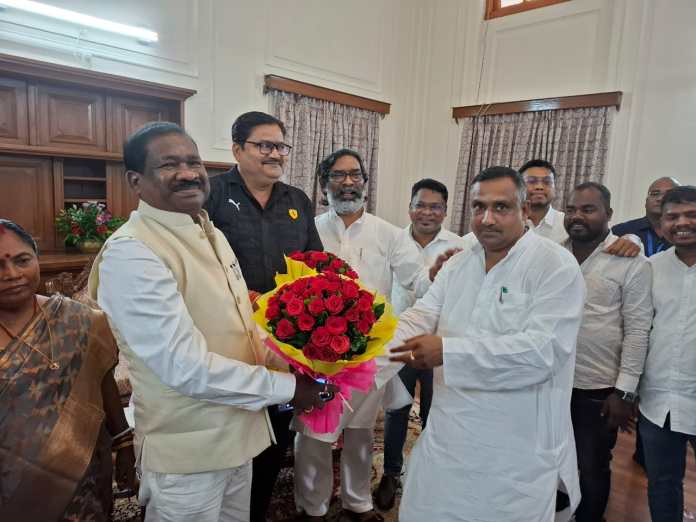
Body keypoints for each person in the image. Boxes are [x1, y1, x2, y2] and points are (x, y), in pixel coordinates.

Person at [88, 122, 334, 522]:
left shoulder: (210, 233)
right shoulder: (132, 253)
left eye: (194, 162)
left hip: (239, 437)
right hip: (189, 456)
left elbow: (242, 324)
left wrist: (300, 363)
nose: (187, 173)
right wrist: (290, 388)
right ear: (135, 181)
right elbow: (186, 368)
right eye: (169, 165)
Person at [387, 166, 585, 521]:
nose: (487, 218)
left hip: (515, 447)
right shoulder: (459, 263)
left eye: (501, 207)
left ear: (525, 210)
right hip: (449, 434)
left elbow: (544, 352)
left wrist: (448, 351)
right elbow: (422, 314)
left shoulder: (555, 265)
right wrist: (361, 358)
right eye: (479, 207)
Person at [293, 149, 439, 522]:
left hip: (367, 352)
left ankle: (357, 503)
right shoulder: (309, 228)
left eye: (355, 175)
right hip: (317, 354)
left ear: (364, 182)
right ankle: (313, 506)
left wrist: (438, 274)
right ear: (323, 184)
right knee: (313, 433)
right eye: (338, 175)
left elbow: (416, 280)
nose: (348, 182)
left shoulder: (388, 233)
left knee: (360, 432)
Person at [204, 111, 324, 521]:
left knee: (276, 427)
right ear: (237, 149)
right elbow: (201, 264)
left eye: (281, 146)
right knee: (233, 429)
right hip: (229, 336)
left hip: (285, 338)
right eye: (265, 145)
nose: (276, 154)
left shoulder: (297, 200)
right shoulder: (212, 194)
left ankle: (256, 510)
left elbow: (315, 263)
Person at [0, 219, 136, 521]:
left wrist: (124, 444)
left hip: (83, 482)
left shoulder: (81, 320)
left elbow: (103, 383)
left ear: (36, 259)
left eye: (22, 260)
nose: (11, 274)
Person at [563, 183, 653, 522]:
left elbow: (638, 331)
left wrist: (624, 392)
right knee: (552, 457)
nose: (577, 216)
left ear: (608, 214)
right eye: (572, 209)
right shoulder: (554, 254)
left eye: (588, 209)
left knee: (592, 464)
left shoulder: (631, 262)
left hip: (598, 387)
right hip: (550, 380)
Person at [373, 178, 463, 511]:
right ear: (410, 208)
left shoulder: (459, 246)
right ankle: (391, 473)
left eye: (435, 207)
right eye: (420, 205)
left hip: (440, 343)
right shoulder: (392, 241)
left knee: (435, 410)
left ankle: (432, 473)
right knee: (396, 408)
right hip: (400, 340)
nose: (427, 212)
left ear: (445, 211)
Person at [638, 186, 696, 522]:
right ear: (661, 225)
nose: (682, 223)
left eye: (691, 215)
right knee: (662, 484)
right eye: (672, 217)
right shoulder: (651, 268)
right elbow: (639, 329)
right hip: (659, 399)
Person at [612, 176, 681, 257]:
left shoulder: (688, 234)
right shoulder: (620, 231)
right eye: (655, 194)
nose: (660, 198)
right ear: (646, 202)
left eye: (669, 194)